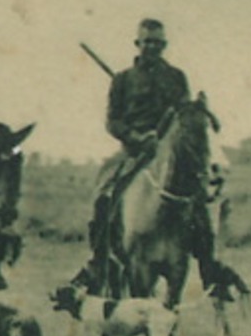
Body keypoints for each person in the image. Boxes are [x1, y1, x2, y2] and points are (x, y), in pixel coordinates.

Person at [63, 19, 191, 294]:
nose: (152, 47)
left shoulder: (177, 78)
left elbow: (186, 117)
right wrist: (136, 137)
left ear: (164, 45)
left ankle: (209, 261)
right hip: (132, 152)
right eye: (147, 42)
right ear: (138, 44)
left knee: (199, 197)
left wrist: (166, 139)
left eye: (158, 43)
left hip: (168, 154)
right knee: (104, 195)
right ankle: (99, 260)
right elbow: (113, 121)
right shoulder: (123, 80)